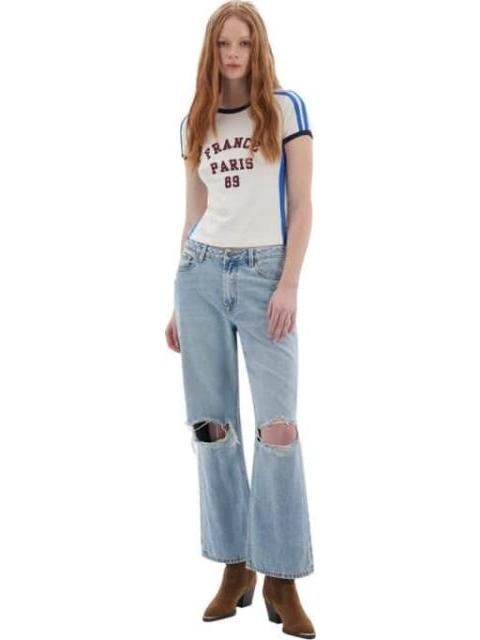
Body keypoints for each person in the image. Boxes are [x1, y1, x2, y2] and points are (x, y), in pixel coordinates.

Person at [165, 2, 316, 637]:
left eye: (244, 43)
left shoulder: (284, 109)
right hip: (200, 274)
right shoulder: (194, 122)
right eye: (224, 43)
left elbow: (302, 206)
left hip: (264, 273)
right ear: (212, 49)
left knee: (277, 428)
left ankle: (281, 576)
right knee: (212, 426)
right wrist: (177, 299)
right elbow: (194, 213)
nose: (233, 54)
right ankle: (235, 567)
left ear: (258, 49)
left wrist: (289, 283)